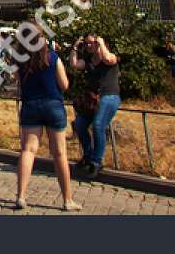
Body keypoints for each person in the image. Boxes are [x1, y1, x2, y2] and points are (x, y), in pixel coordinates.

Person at [15, 23, 78, 211]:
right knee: (59, 153)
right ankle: (67, 199)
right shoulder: (52, 57)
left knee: (28, 150)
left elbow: (19, 82)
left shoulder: (19, 60)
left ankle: (21, 196)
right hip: (53, 104)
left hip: (30, 105)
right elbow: (64, 84)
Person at [69, 33, 120, 178]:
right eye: (87, 44)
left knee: (98, 125)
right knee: (79, 123)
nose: (89, 46)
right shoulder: (88, 60)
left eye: (92, 43)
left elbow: (109, 59)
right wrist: (75, 48)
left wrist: (102, 44)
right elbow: (74, 64)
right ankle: (88, 155)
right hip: (92, 99)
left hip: (109, 96)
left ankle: (97, 161)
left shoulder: (109, 56)